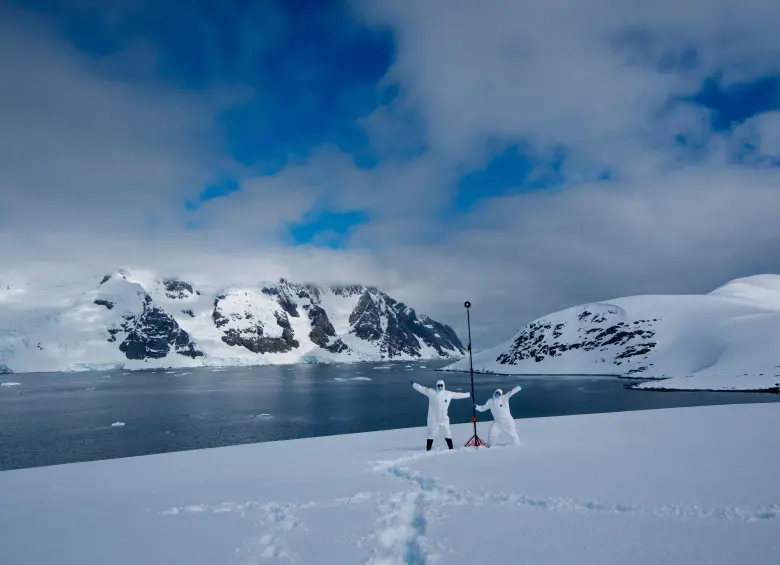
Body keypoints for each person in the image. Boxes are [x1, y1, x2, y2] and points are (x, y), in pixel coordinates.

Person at [411, 379, 472, 450]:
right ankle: (428, 449)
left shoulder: (448, 394)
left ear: (444, 385)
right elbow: (422, 389)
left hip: (444, 419)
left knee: (447, 433)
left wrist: (469, 394)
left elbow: (458, 395)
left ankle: (451, 448)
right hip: (433, 419)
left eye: (441, 385)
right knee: (431, 434)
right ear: (436, 386)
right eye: (439, 385)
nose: (440, 387)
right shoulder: (431, 392)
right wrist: (414, 384)